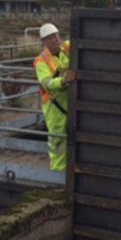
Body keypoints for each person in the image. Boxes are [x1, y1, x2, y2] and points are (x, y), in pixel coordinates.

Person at [33, 23, 76, 171]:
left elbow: (82, 41)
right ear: (43, 42)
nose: (53, 40)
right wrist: (63, 81)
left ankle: (70, 170)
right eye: (48, 38)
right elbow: (46, 83)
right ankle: (57, 174)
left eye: (55, 36)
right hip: (55, 107)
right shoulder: (41, 61)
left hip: (71, 103)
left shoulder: (68, 48)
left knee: (74, 138)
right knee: (58, 142)